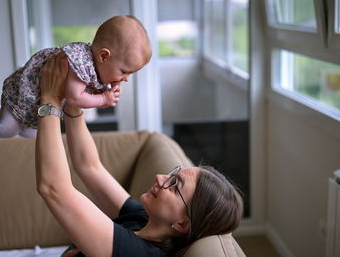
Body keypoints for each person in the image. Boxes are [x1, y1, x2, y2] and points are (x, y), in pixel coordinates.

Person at [35, 52, 244, 257]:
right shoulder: (143, 220)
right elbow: (89, 166)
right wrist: (74, 101)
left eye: (174, 185)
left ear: (182, 223)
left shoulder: (139, 252)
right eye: (173, 174)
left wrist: (50, 99)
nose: (160, 177)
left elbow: (53, 189)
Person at [0, 15, 151, 155]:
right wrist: (103, 99)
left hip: (35, 102)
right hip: (25, 94)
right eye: (125, 71)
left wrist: (107, 89)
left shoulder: (95, 67)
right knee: (8, 130)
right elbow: (74, 97)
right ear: (103, 56)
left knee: (31, 134)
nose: (126, 78)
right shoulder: (79, 64)